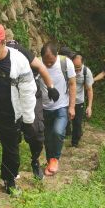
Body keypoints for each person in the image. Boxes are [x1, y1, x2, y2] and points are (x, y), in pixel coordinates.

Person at [0, 24, 37, 194]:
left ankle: (9, 181)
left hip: (10, 112)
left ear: (4, 42)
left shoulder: (18, 61)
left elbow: (27, 92)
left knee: (11, 148)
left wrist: (28, 120)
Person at [4, 31, 56, 180]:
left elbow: (41, 68)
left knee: (36, 130)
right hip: (10, 97)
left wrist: (51, 87)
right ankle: (13, 168)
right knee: (13, 134)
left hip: (31, 94)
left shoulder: (21, 51)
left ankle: (35, 160)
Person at [40, 42, 76, 175]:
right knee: (47, 137)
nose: (48, 64)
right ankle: (50, 160)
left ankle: (55, 158)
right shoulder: (37, 63)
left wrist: (72, 107)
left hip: (61, 105)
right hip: (44, 107)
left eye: (51, 61)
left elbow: (72, 84)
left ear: (56, 55)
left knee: (58, 132)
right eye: (46, 61)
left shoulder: (65, 63)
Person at [70, 53, 94, 146]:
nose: (76, 70)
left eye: (78, 67)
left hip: (79, 100)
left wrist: (89, 106)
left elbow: (89, 89)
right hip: (66, 99)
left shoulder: (86, 72)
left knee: (77, 122)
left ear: (83, 63)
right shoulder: (67, 69)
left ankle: (74, 143)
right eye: (74, 67)